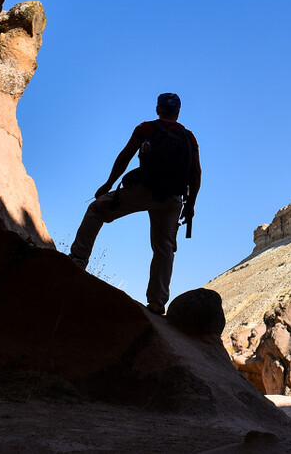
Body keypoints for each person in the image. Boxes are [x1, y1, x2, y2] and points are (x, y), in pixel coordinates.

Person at [69, 92, 201, 315]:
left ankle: (78, 260)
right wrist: (190, 205)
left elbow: (125, 156)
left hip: (144, 189)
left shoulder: (147, 128)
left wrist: (108, 184)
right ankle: (157, 302)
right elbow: (196, 172)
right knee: (164, 248)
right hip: (173, 199)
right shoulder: (189, 137)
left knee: (96, 209)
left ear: (158, 109)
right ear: (178, 113)